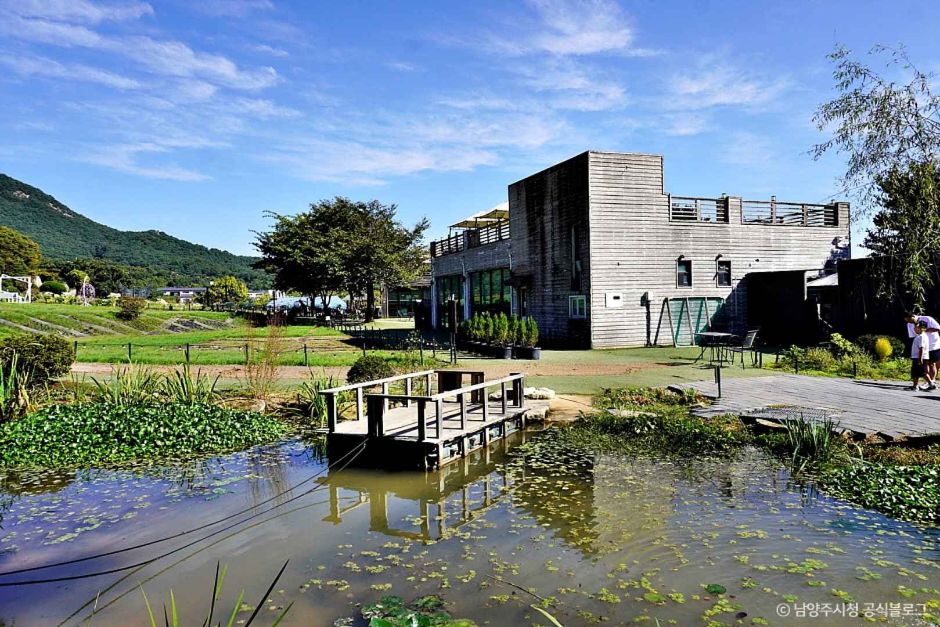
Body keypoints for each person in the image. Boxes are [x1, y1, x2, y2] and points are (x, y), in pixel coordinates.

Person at [905, 312, 940, 390]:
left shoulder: (927, 319)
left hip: (932, 345)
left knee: (930, 364)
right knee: (921, 369)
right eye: (907, 321)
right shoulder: (910, 325)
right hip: (920, 349)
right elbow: (913, 336)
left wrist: (925, 330)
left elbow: (938, 328)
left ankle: (931, 382)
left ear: (913, 316)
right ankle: (919, 384)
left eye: (910, 320)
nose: (909, 323)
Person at [910, 321, 930, 391]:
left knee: (922, 373)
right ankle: (915, 386)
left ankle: (931, 384)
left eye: (917, 327)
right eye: (915, 327)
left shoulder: (922, 336)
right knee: (916, 372)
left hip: (920, 358)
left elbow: (922, 348)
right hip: (917, 357)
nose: (915, 328)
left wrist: (920, 359)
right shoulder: (920, 336)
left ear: (923, 328)